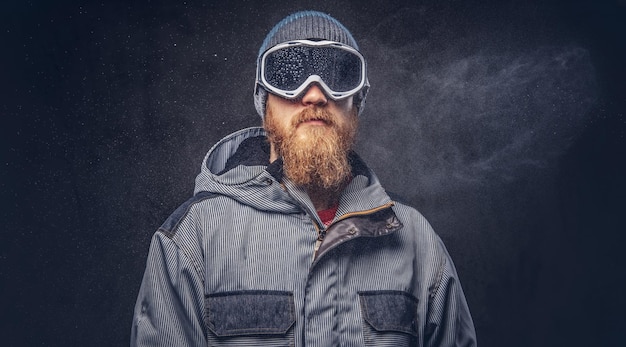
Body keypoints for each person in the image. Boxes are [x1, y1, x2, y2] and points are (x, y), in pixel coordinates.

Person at [131, 10, 476, 347]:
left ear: (357, 103)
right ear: (263, 102)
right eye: (289, 73)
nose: (314, 94)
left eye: (338, 75)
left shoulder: (416, 242)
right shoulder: (193, 239)